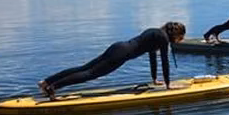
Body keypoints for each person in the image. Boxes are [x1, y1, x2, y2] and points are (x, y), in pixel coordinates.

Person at [38, 22, 187, 99]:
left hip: (118, 47)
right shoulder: (163, 39)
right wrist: (168, 85)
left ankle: (46, 82)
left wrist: (154, 79)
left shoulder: (156, 32)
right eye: (181, 37)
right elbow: (165, 61)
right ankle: (54, 87)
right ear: (176, 34)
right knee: (90, 74)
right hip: (121, 55)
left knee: (83, 68)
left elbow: (152, 56)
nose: (181, 40)